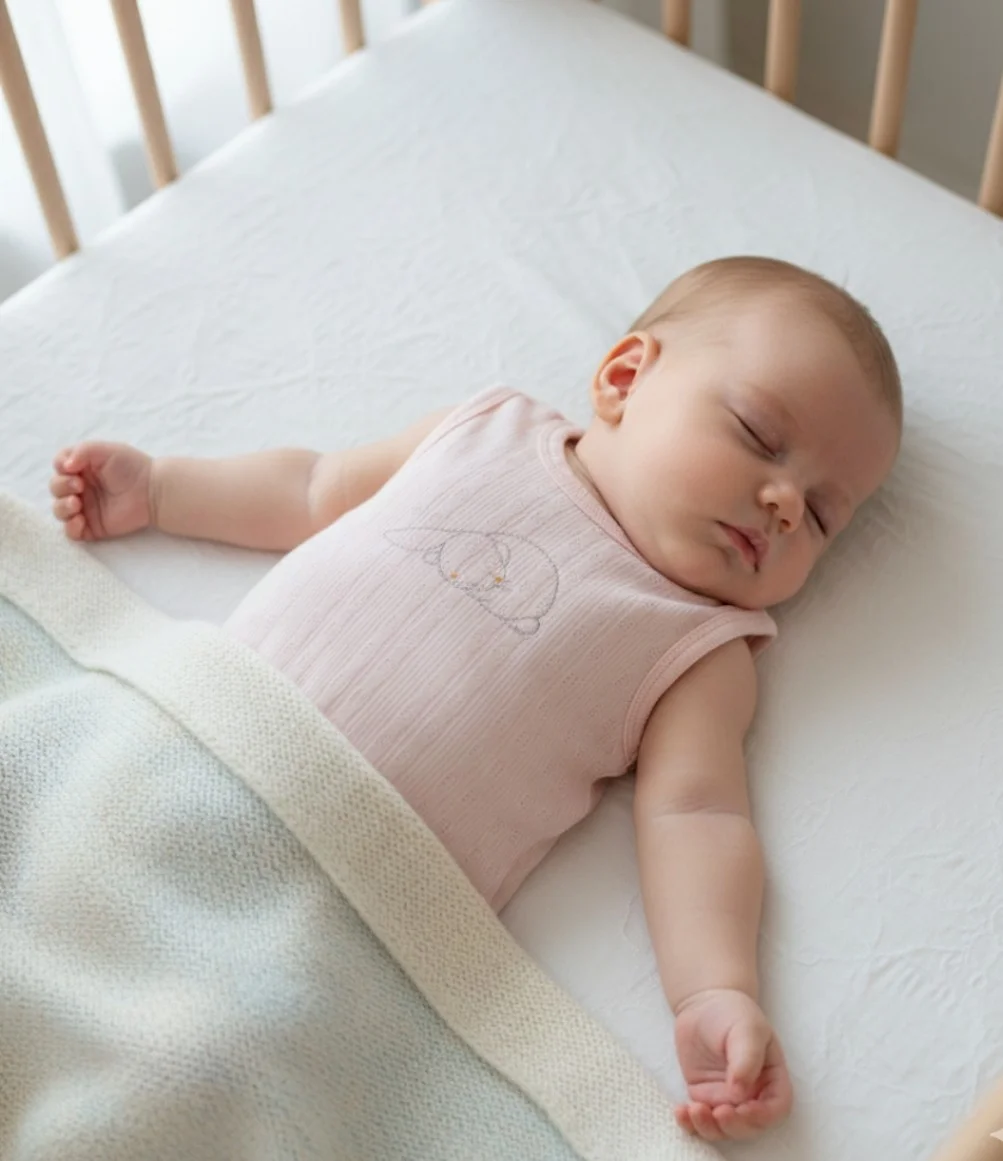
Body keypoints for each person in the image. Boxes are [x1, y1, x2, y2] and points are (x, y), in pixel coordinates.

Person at [48, 256, 902, 1144]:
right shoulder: (487, 431)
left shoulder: (698, 644)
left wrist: (713, 988)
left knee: (193, 1067)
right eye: (759, 435)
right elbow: (312, 489)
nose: (783, 503)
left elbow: (696, 815)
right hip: (199, 732)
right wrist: (163, 490)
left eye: (822, 515)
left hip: (349, 891)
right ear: (624, 378)